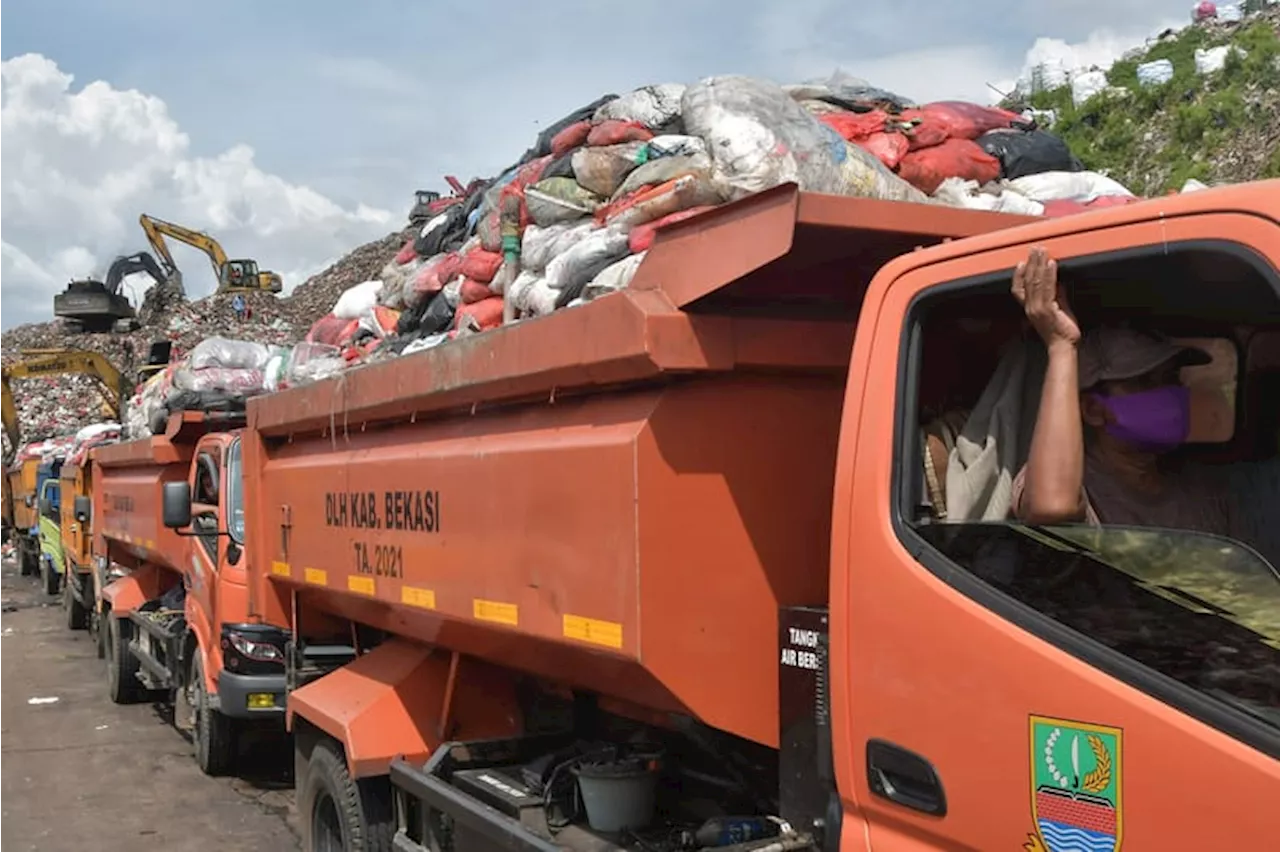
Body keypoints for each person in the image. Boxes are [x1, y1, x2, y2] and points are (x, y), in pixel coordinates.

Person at [1010, 246, 1235, 536]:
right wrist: (1061, 346)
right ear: (1093, 409)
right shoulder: (1080, 484)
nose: (1168, 394)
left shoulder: (1198, 485)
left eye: (1171, 379)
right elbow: (1051, 507)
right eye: (1144, 381)